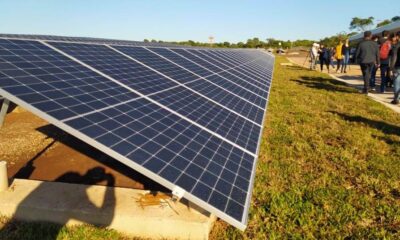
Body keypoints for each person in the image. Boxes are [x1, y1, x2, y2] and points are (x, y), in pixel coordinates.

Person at [389, 31, 400, 104]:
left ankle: (396, 99)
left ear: (398, 37)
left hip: (398, 66)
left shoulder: (396, 46)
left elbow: (394, 58)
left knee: (396, 82)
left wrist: (391, 68)